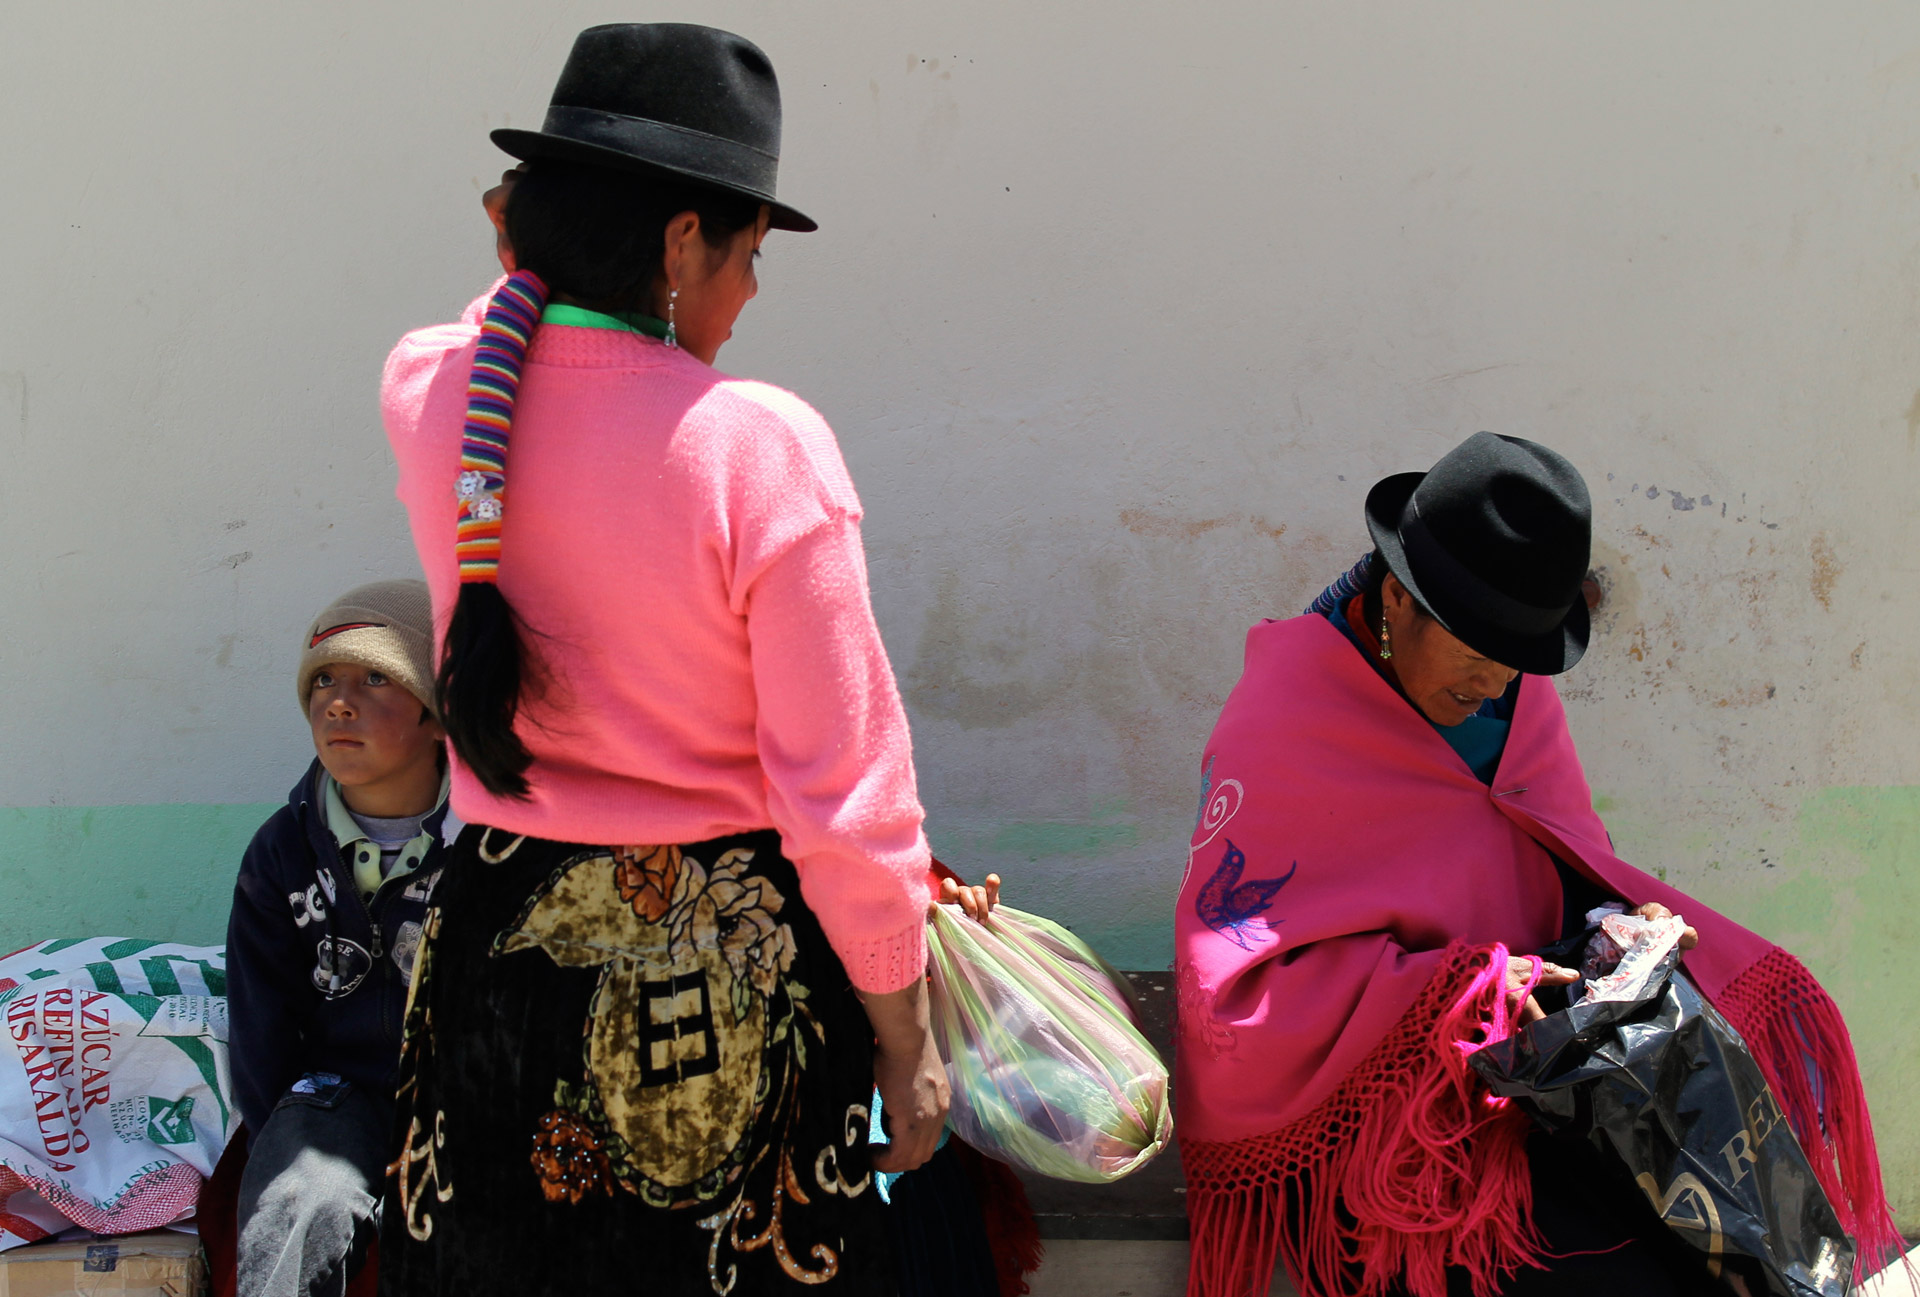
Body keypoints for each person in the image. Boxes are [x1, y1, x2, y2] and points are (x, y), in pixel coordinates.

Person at [376, 25, 955, 1295]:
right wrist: (905, 1031)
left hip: (495, 966)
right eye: (750, 255)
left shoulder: (435, 399)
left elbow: (490, 329)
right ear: (682, 243)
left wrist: (530, 257)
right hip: (718, 995)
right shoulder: (760, 451)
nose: (750, 298)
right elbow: (845, 801)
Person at [1174, 433, 1904, 1297]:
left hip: (1538, 1086)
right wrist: (1470, 991)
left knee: (1728, 1233)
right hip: (1380, 1125)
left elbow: (1554, 859)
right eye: (1477, 651)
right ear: (1398, 598)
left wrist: (1609, 930)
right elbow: (1243, 989)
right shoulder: (1284, 726)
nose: (1496, 682)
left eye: (1519, 658)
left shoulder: (1509, 691)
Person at [226, 580, 450, 1297]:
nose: (339, 701)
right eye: (323, 678)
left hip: (465, 1098)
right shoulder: (281, 850)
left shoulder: (493, 847)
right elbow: (259, 1029)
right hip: (333, 1100)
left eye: (375, 676)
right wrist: (286, 1141)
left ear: (438, 712)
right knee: (299, 1198)